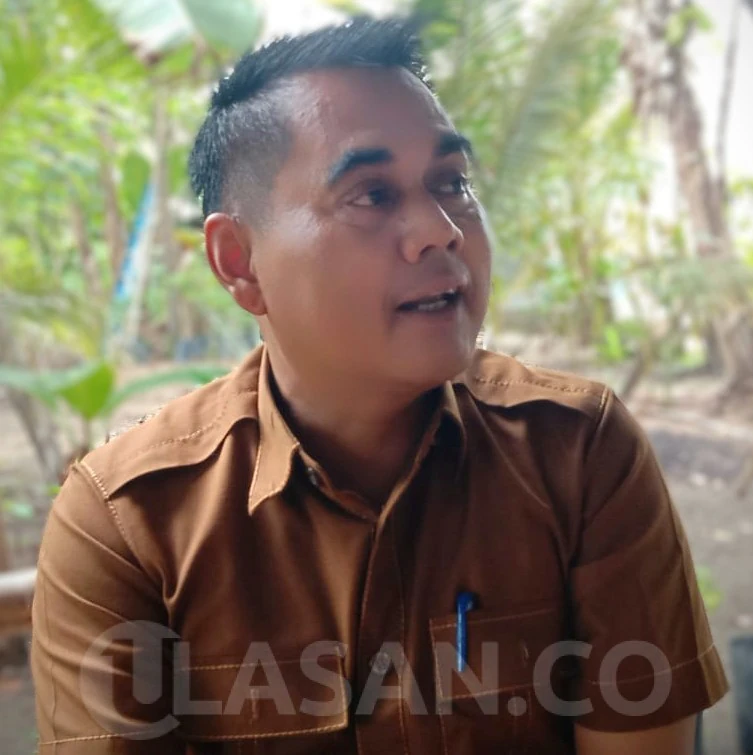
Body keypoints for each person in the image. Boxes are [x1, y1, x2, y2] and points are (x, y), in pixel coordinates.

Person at [30, 16, 728, 755]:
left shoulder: (578, 453)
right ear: (239, 261)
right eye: (370, 194)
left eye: (451, 183)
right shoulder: (128, 521)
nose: (440, 229)